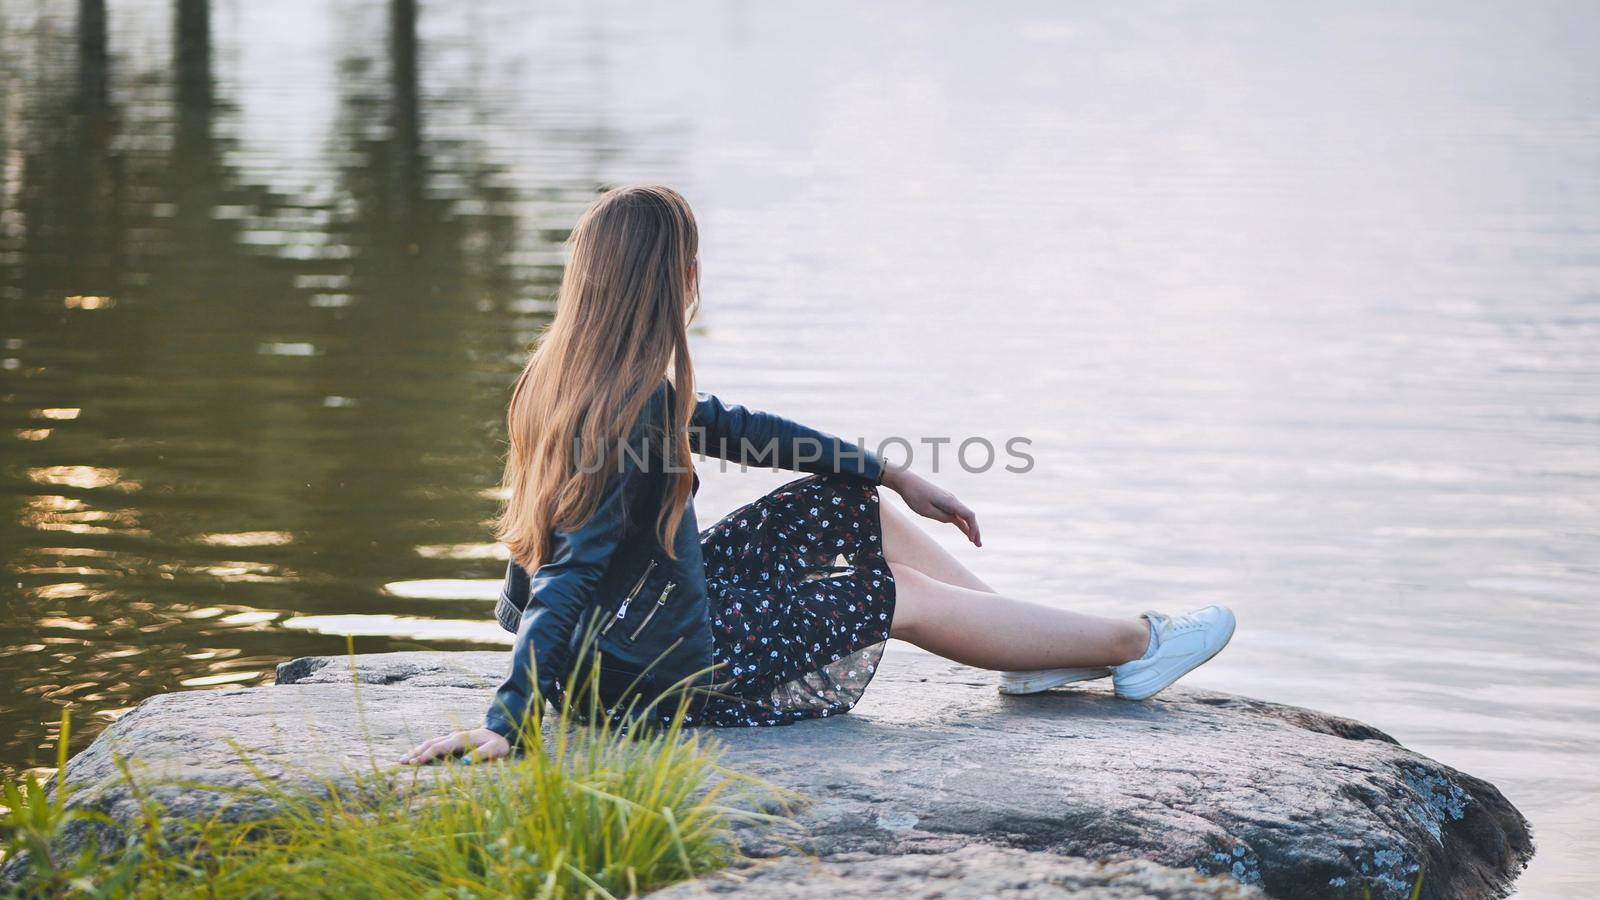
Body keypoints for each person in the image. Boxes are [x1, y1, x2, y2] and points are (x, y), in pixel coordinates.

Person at [401, 185, 1235, 765]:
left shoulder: (572, 375)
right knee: (892, 590)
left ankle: (1027, 648)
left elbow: (742, 431)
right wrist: (506, 721)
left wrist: (892, 473)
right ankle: (1138, 641)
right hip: (668, 680)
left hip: (634, 644)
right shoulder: (626, 410)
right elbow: (567, 574)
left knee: (851, 507)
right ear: (674, 282)